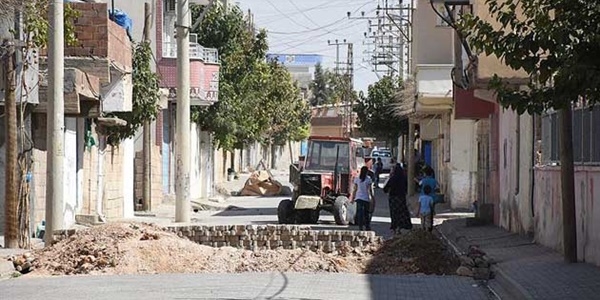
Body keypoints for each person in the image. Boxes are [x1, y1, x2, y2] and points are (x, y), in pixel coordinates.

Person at [383, 163, 412, 234]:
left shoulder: (392, 178)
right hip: (401, 198)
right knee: (401, 212)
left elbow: (385, 189)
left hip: (393, 198)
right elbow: (407, 188)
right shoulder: (404, 178)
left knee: (394, 213)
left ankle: (395, 227)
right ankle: (400, 227)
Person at [350, 166, 375, 231]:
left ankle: (360, 227)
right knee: (366, 213)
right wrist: (372, 198)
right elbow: (370, 190)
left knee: (360, 213)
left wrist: (352, 198)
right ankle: (367, 226)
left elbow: (355, 189)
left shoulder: (357, 179)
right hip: (366, 198)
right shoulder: (368, 179)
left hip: (358, 198)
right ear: (367, 172)